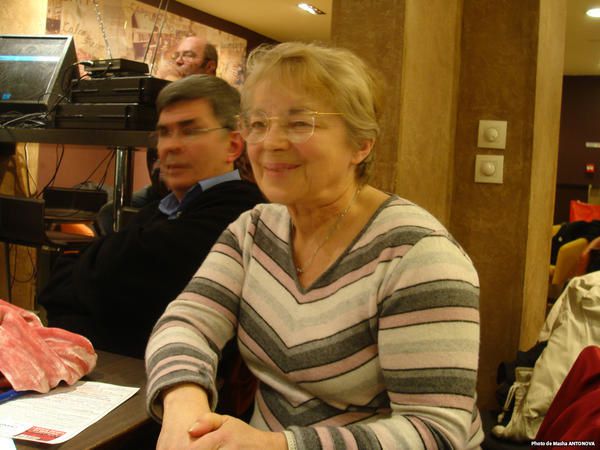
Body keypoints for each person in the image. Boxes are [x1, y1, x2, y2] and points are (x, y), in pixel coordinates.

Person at [145, 42, 483, 449]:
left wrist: (279, 446)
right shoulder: (254, 229)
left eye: (299, 123)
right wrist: (185, 405)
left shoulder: (418, 256)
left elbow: (437, 432)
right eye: (258, 123)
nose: (270, 142)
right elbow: (186, 322)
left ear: (361, 145)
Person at [38, 74, 264, 361]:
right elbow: (55, 283)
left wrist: (88, 269)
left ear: (233, 146)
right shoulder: (158, 210)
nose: (169, 147)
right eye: (164, 133)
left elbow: (124, 300)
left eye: (190, 131)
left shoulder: (238, 214)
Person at [97, 36, 220, 234]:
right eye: (177, 56)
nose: (179, 61)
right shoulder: (170, 100)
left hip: (198, 190)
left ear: (210, 67)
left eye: (188, 56)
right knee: (109, 213)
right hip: (160, 188)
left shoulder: (218, 105)